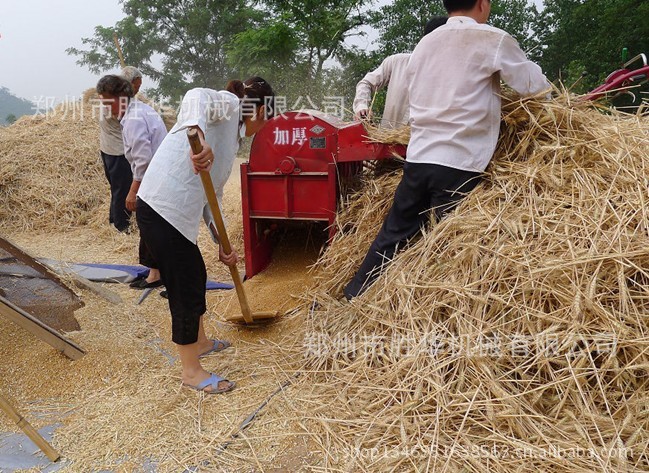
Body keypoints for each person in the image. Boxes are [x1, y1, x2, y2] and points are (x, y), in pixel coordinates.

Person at [343, 0, 550, 300]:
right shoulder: (492, 38)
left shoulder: (425, 45)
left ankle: (354, 297)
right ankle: (432, 312)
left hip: (419, 157)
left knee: (393, 236)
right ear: (482, 3)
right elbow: (535, 88)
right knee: (450, 250)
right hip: (460, 163)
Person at [136, 77, 275, 394]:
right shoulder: (229, 106)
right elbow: (195, 95)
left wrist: (223, 243)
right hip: (161, 207)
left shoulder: (232, 139)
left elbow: (213, 200)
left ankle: (200, 342)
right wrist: (197, 135)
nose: (264, 126)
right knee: (185, 287)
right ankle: (191, 372)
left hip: (176, 216)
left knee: (196, 275)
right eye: (267, 118)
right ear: (259, 110)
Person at [96, 74, 166, 289]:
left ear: (120, 97)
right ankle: (156, 272)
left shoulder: (134, 119)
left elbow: (143, 160)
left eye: (108, 102)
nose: (107, 107)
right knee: (151, 225)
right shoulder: (136, 112)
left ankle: (161, 275)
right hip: (157, 176)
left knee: (150, 223)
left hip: (155, 178)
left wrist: (133, 190)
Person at [352, 16, 448, 128]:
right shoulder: (397, 62)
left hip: (422, 143)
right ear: (426, 41)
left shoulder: (448, 78)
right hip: (387, 140)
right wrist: (361, 106)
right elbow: (366, 83)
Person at [97, 66, 145, 233]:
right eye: (136, 87)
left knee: (117, 188)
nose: (138, 90)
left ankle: (113, 219)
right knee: (123, 189)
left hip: (107, 149)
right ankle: (122, 226)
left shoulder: (109, 95)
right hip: (118, 152)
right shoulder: (117, 103)